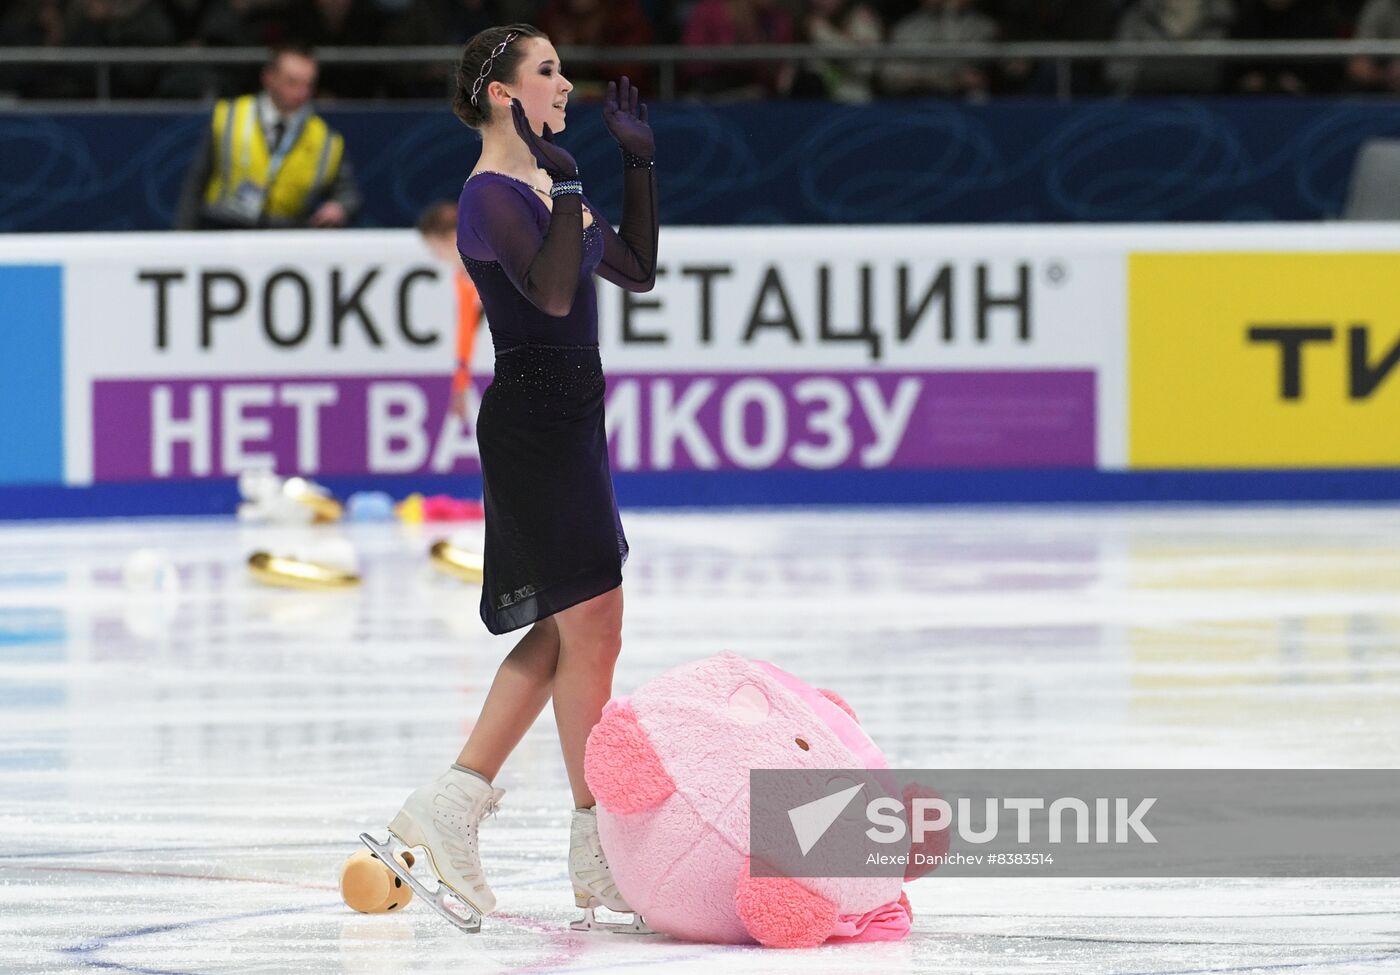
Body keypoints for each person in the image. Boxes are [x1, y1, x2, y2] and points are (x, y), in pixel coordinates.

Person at [370, 24, 658, 932]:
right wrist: (567, 187)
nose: (565, 84)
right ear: (502, 93)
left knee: (573, 629)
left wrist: (636, 165)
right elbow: (557, 294)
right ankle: (586, 843)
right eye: (547, 70)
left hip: (572, 420)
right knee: (592, 624)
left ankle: (456, 809)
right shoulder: (489, 197)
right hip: (534, 426)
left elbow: (638, 270)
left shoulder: (541, 184)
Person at [175, 45, 362, 230]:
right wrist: (183, 235)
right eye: (292, 82)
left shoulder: (326, 139)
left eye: (309, 84)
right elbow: (195, 184)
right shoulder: (229, 117)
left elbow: (349, 195)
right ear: (269, 78)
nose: (302, 92)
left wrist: (341, 207)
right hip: (225, 228)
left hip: (288, 235)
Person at [416, 200, 484, 420]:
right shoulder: (463, 279)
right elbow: (466, 331)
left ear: (453, 237)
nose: (437, 257)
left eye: (435, 248)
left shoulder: (498, 263)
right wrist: (460, 384)